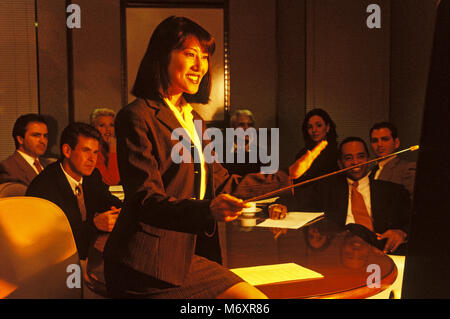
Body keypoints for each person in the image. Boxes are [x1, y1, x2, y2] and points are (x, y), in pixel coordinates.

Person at [103, 16, 326, 299]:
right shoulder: (136, 116)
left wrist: (288, 175)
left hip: (184, 258)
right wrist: (207, 210)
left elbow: (222, 184)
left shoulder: (193, 119)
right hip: (144, 266)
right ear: (162, 56)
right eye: (190, 54)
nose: (201, 66)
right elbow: (144, 200)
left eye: (206, 57)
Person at [275, 137, 411, 254]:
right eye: (348, 158)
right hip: (340, 251)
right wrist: (279, 206)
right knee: (353, 229)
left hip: (381, 249)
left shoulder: (392, 190)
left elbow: (414, 219)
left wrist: (402, 233)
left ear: (368, 160)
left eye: (361, 156)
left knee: (356, 229)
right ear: (340, 164)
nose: (356, 162)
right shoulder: (327, 188)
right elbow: (293, 200)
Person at [26, 122, 122, 264]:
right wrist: (94, 224)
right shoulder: (44, 186)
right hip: (52, 261)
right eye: (86, 151)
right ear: (67, 151)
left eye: (95, 152)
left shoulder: (92, 175)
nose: (92, 159)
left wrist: (120, 210)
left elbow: (107, 200)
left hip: (84, 254)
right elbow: (54, 239)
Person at [288, 108, 339, 206]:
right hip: (303, 204)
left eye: (319, 125)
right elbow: (295, 185)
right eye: (310, 127)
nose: (314, 130)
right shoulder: (302, 154)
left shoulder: (336, 153)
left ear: (327, 127)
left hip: (329, 203)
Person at [0, 114, 51, 186]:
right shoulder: (7, 168)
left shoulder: (50, 165)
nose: (43, 141)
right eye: (36, 135)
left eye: (45, 136)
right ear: (20, 139)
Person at [369, 122, 416, 197]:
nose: (379, 144)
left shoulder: (407, 169)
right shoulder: (370, 171)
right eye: (375, 140)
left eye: (385, 139)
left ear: (396, 143)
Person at [223, 109, 264, 176]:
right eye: (241, 125)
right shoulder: (220, 151)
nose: (246, 128)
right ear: (233, 127)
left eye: (250, 125)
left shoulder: (260, 153)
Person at [90, 108, 120, 186]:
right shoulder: (94, 151)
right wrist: (113, 151)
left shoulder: (121, 147)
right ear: (94, 128)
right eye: (102, 125)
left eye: (111, 125)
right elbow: (111, 181)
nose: (108, 129)